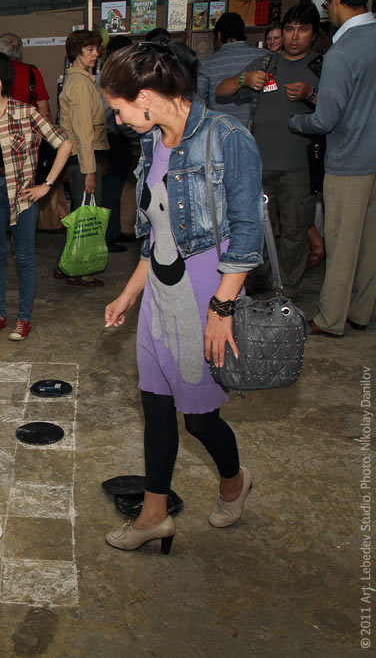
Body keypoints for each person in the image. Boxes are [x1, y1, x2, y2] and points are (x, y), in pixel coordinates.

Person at [101, 41, 263, 553]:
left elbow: (248, 235)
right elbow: (157, 234)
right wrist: (130, 293)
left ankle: (234, 480)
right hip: (160, 295)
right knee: (154, 405)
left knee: (198, 417)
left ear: (145, 97)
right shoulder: (153, 142)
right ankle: (154, 516)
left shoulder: (227, 138)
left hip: (206, 296)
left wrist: (222, 309)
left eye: (120, 109)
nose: (119, 120)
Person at [0, 54, 72, 341]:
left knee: (24, 257)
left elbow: (65, 144)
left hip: (22, 194)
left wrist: (46, 185)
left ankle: (24, 319)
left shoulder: (26, 113)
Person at [215, 3, 321, 292]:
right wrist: (243, 79)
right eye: (289, 29)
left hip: (299, 166)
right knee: (255, 227)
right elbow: (221, 90)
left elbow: (340, 108)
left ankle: (287, 288)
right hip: (260, 164)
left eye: (303, 30)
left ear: (314, 34)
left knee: (295, 228)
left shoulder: (321, 66)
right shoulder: (264, 63)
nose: (294, 36)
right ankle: (254, 282)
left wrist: (311, 94)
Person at [289, 0, 376, 336]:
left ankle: (330, 319)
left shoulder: (342, 52)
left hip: (349, 162)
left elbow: (325, 120)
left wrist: (296, 122)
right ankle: (361, 312)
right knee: (370, 243)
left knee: (341, 245)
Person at [58, 29, 109, 287]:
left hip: (81, 157)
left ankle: (67, 264)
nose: (95, 53)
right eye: (89, 49)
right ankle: (80, 270)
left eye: (96, 48)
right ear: (77, 53)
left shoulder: (81, 80)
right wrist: (89, 171)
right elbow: (83, 131)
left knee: (80, 213)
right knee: (85, 217)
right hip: (83, 158)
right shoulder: (79, 84)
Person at [196, 12, 268, 127]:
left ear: (219, 35)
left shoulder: (205, 64)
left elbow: (199, 103)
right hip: (257, 130)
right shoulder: (266, 56)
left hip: (219, 129)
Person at [101, 35, 138, 253]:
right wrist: (136, 131)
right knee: (111, 191)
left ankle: (113, 233)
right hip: (113, 140)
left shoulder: (111, 76)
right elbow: (112, 114)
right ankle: (108, 236)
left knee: (114, 190)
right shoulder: (112, 78)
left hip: (116, 139)